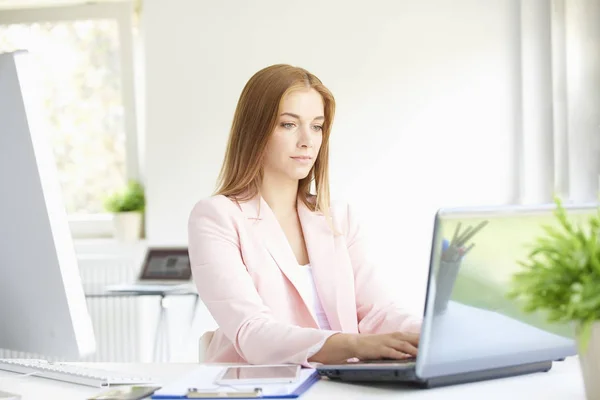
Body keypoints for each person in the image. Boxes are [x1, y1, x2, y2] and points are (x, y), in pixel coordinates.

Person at [188, 64, 422, 366]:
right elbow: (253, 333)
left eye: (317, 126)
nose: (307, 141)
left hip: (340, 385)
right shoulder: (216, 217)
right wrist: (355, 345)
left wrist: (433, 334)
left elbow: (378, 311)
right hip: (262, 388)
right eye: (288, 124)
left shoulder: (338, 217)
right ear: (255, 129)